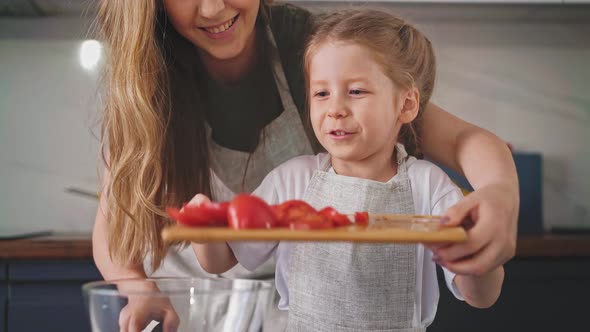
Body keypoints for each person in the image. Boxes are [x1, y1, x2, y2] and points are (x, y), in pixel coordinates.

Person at [92, 0, 517, 330]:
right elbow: (115, 226)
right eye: (322, 96)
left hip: (287, 307)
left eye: (353, 93)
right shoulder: (147, 78)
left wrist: (497, 198)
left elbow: (466, 141)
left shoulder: (321, 49)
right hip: (182, 305)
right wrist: (138, 289)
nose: (213, 8)